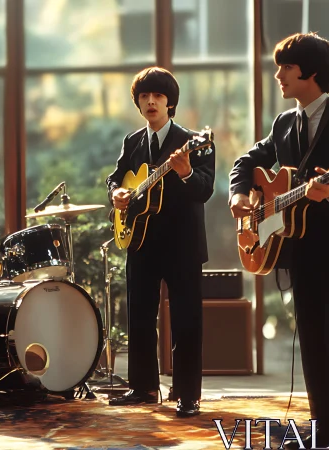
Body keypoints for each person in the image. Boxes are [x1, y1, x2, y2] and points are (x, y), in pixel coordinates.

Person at [228, 32, 329, 448]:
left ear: (310, 72)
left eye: (286, 67)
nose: (278, 75)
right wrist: (240, 195)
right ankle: (322, 431)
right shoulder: (282, 123)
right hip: (301, 251)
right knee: (311, 341)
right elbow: (245, 162)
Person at [105, 67, 215, 418]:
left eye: (158, 96)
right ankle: (143, 388)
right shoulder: (132, 142)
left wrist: (184, 171)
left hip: (182, 244)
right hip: (140, 241)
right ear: (138, 103)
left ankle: (187, 394)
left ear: (171, 104)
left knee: (186, 320)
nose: (151, 101)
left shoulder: (195, 141)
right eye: (144, 96)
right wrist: (117, 194)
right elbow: (114, 179)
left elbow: (205, 189)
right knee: (139, 317)